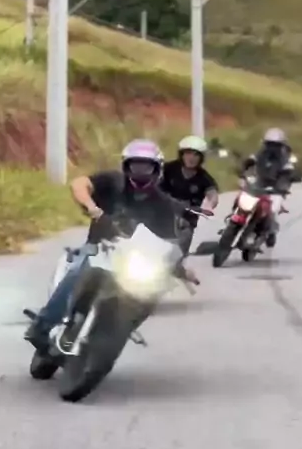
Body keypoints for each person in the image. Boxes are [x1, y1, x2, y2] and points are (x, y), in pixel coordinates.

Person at [24, 139, 203, 352]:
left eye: (146, 167)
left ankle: (121, 330)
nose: (140, 172)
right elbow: (79, 184)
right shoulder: (113, 182)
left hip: (132, 260)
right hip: (99, 249)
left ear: (157, 169)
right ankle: (42, 326)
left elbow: (166, 245)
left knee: (151, 292)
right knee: (77, 274)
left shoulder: (162, 204)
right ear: (126, 166)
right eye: (135, 166)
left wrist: (180, 268)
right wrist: (92, 207)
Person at [160, 135, 219, 255]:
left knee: (180, 249)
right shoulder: (168, 169)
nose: (191, 158)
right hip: (163, 210)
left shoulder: (204, 178)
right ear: (181, 155)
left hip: (186, 217)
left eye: (196, 155)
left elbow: (212, 194)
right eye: (188, 153)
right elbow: (152, 181)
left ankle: (180, 257)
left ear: (201, 158)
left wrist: (209, 205)